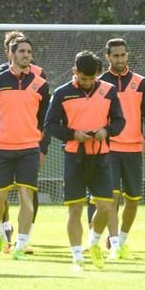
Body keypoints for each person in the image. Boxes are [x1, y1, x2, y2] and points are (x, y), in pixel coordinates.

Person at [45, 51, 124, 271]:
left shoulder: (109, 91)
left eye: (92, 79)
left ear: (98, 75)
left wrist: (106, 131)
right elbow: (50, 124)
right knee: (75, 209)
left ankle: (94, 242)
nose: (88, 83)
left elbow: (119, 121)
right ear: (75, 72)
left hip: (101, 157)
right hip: (74, 158)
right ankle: (77, 256)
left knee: (107, 207)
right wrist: (73, 134)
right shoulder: (62, 93)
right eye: (83, 78)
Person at [0, 36, 50, 260]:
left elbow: (42, 119)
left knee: (26, 197)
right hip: (1, 148)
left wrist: (40, 144)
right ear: (11, 54)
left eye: (29, 51)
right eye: (21, 51)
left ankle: (21, 244)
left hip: (29, 148)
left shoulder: (41, 85)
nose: (26, 55)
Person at [98, 38, 145, 259]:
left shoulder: (141, 82)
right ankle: (114, 244)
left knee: (132, 200)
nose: (120, 59)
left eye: (123, 55)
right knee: (111, 198)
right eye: (115, 56)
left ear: (127, 55)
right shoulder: (101, 82)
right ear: (108, 57)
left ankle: (122, 238)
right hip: (109, 148)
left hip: (133, 149)